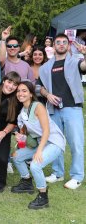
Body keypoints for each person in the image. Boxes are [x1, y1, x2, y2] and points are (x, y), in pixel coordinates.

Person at [39, 33, 86, 189]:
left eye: (64, 42)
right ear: (53, 46)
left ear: (68, 45)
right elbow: (39, 87)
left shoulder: (75, 62)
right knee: (55, 143)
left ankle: (77, 176)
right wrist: (47, 95)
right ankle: (57, 173)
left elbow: (84, 66)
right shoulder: (45, 67)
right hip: (54, 110)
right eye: (57, 42)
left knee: (76, 143)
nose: (60, 44)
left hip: (72, 108)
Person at [11, 81, 66, 210]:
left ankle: (43, 196)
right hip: (41, 141)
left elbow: (46, 131)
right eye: (18, 91)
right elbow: (28, 133)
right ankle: (26, 182)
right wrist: (20, 136)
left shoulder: (38, 106)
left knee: (35, 164)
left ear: (31, 94)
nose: (20, 93)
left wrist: (39, 151)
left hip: (53, 142)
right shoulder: (22, 111)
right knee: (16, 156)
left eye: (24, 91)